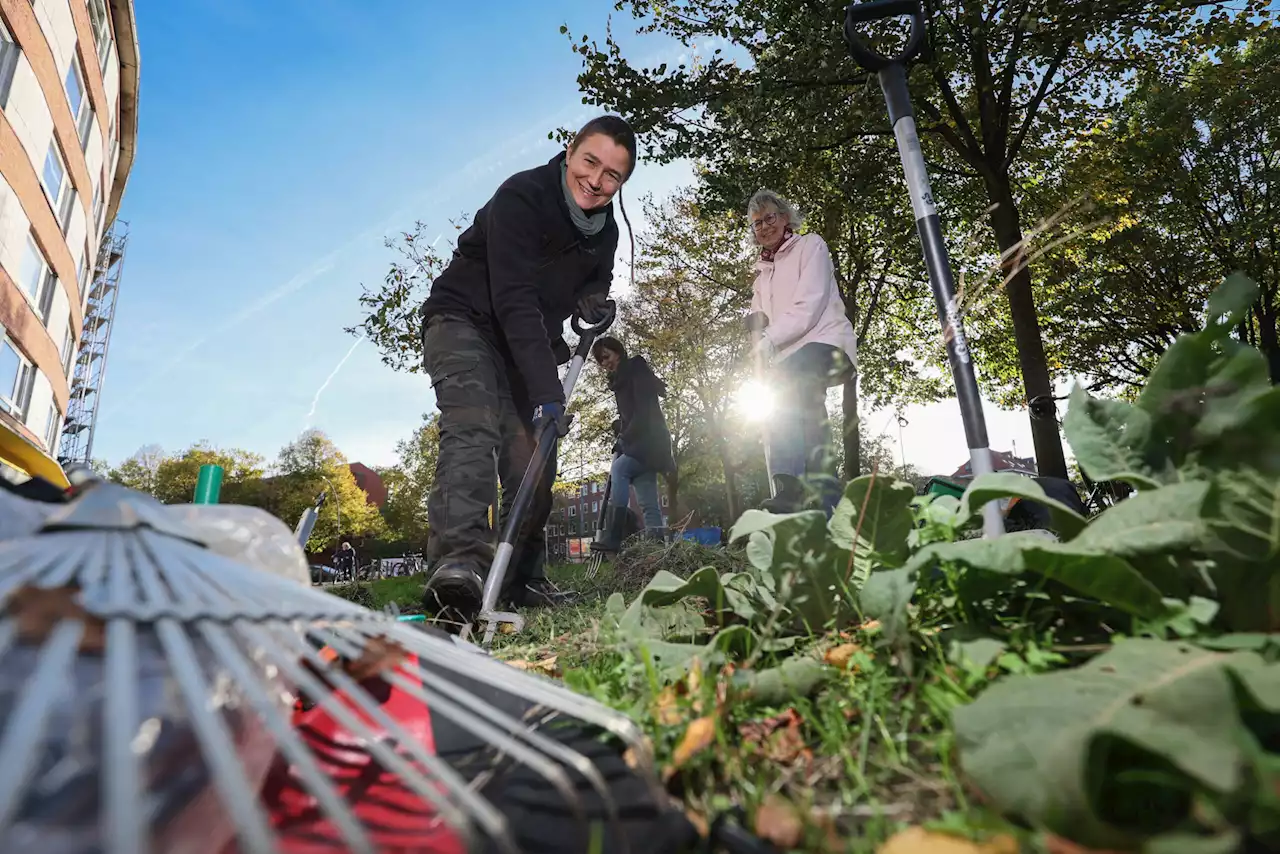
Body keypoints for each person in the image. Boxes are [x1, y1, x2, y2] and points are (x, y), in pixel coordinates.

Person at [418, 115, 636, 622]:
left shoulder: (604, 234)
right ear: (570, 152)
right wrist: (547, 392)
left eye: (613, 176)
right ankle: (459, 567)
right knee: (473, 428)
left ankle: (521, 578)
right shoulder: (522, 195)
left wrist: (592, 304)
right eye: (590, 161)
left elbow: (592, 283)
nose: (597, 180)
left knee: (535, 455)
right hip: (464, 321)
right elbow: (514, 297)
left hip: (525, 344)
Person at [747, 189, 857, 516]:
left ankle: (790, 484)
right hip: (789, 361)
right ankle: (828, 504)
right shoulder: (762, 275)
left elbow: (809, 304)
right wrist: (754, 333)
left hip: (826, 342)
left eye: (770, 218)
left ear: (785, 218)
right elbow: (757, 318)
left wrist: (768, 339)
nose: (765, 226)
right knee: (808, 420)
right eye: (757, 223)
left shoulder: (811, 246)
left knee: (792, 382)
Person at [590, 336, 675, 548]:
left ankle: (615, 536)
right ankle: (657, 550)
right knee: (647, 502)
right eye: (601, 360)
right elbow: (631, 412)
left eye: (607, 356)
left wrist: (625, 436)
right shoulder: (619, 380)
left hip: (650, 441)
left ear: (618, 351)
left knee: (619, 469)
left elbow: (644, 410)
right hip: (641, 443)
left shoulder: (635, 368)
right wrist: (621, 424)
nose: (605, 363)